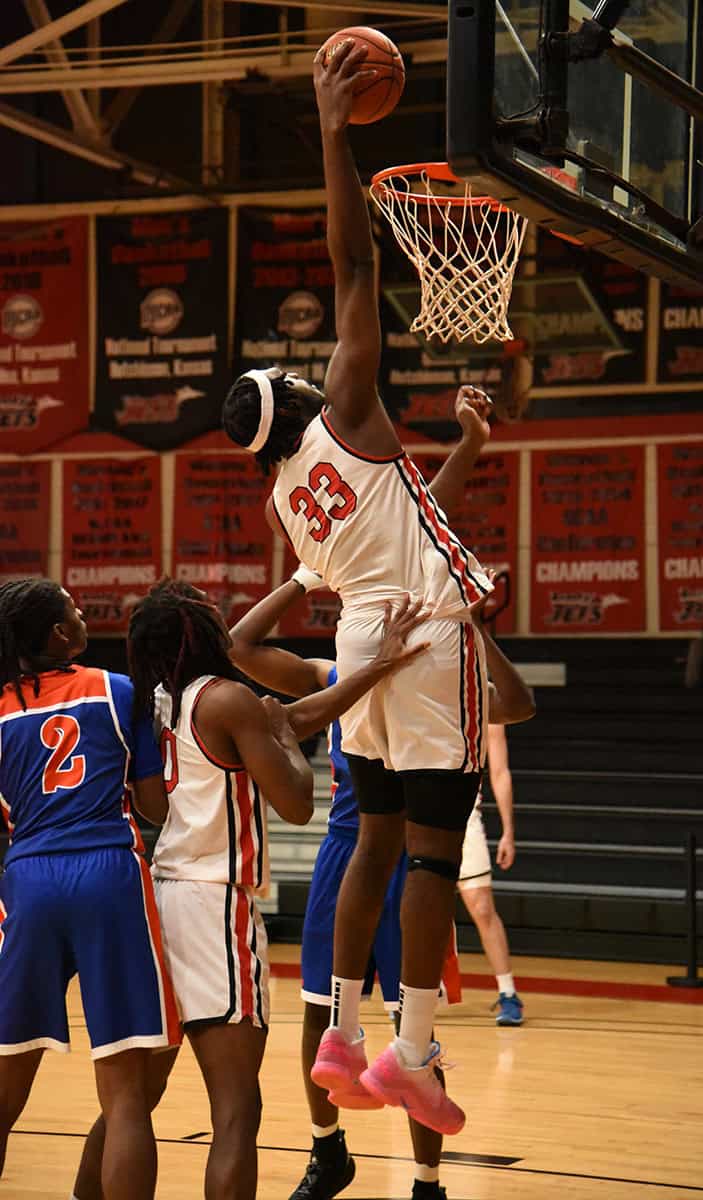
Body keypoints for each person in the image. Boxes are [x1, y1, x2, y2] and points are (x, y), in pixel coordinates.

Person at [222, 38, 496, 1136]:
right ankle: (413, 1053)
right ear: (297, 399)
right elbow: (354, 270)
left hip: (370, 634)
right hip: (422, 635)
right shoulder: (341, 407)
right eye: (293, 375)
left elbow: (399, 510)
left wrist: (462, 455)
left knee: (374, 834)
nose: (307, 366)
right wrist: (333, 133)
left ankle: (338, 1035)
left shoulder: (288, 498)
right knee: (434, 839)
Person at [73, 578, 430, 1200]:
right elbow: (293, 799)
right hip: (216, 908)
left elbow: (291, 717)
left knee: (133, 1101)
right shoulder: (230, 700)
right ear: (200, 634)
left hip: (156, 898)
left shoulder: (152, 702)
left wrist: (376, 670)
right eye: (212, 617)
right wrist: (286, 741)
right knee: (236, 1111)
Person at [229, 557, 535, 1200]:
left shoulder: (445, 677)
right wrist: (306, 576)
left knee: (412, 1036)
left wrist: (473, 628)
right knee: (319, 1019)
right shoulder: (335, 673)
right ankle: (328, 1151)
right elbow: (240, 647)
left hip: (409, 864)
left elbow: (517, 703)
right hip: (348, 853)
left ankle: (428, 1183)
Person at [0, 578, 181, 1200]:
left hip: (28, 880)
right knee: (127, 1096)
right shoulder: (118, 690)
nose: (82, 617)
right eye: (74, 611)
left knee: (4, 1086)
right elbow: (155, 807)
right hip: (109, 873)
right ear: (58, 634)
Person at [458, 723, 525, 1026]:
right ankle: (407, 995)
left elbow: (499, 772)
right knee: (415, 912)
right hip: (419, 817)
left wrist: (508, 831)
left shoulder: (486, 702)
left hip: (465, 816)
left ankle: (509, 994)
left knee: (483, 908)